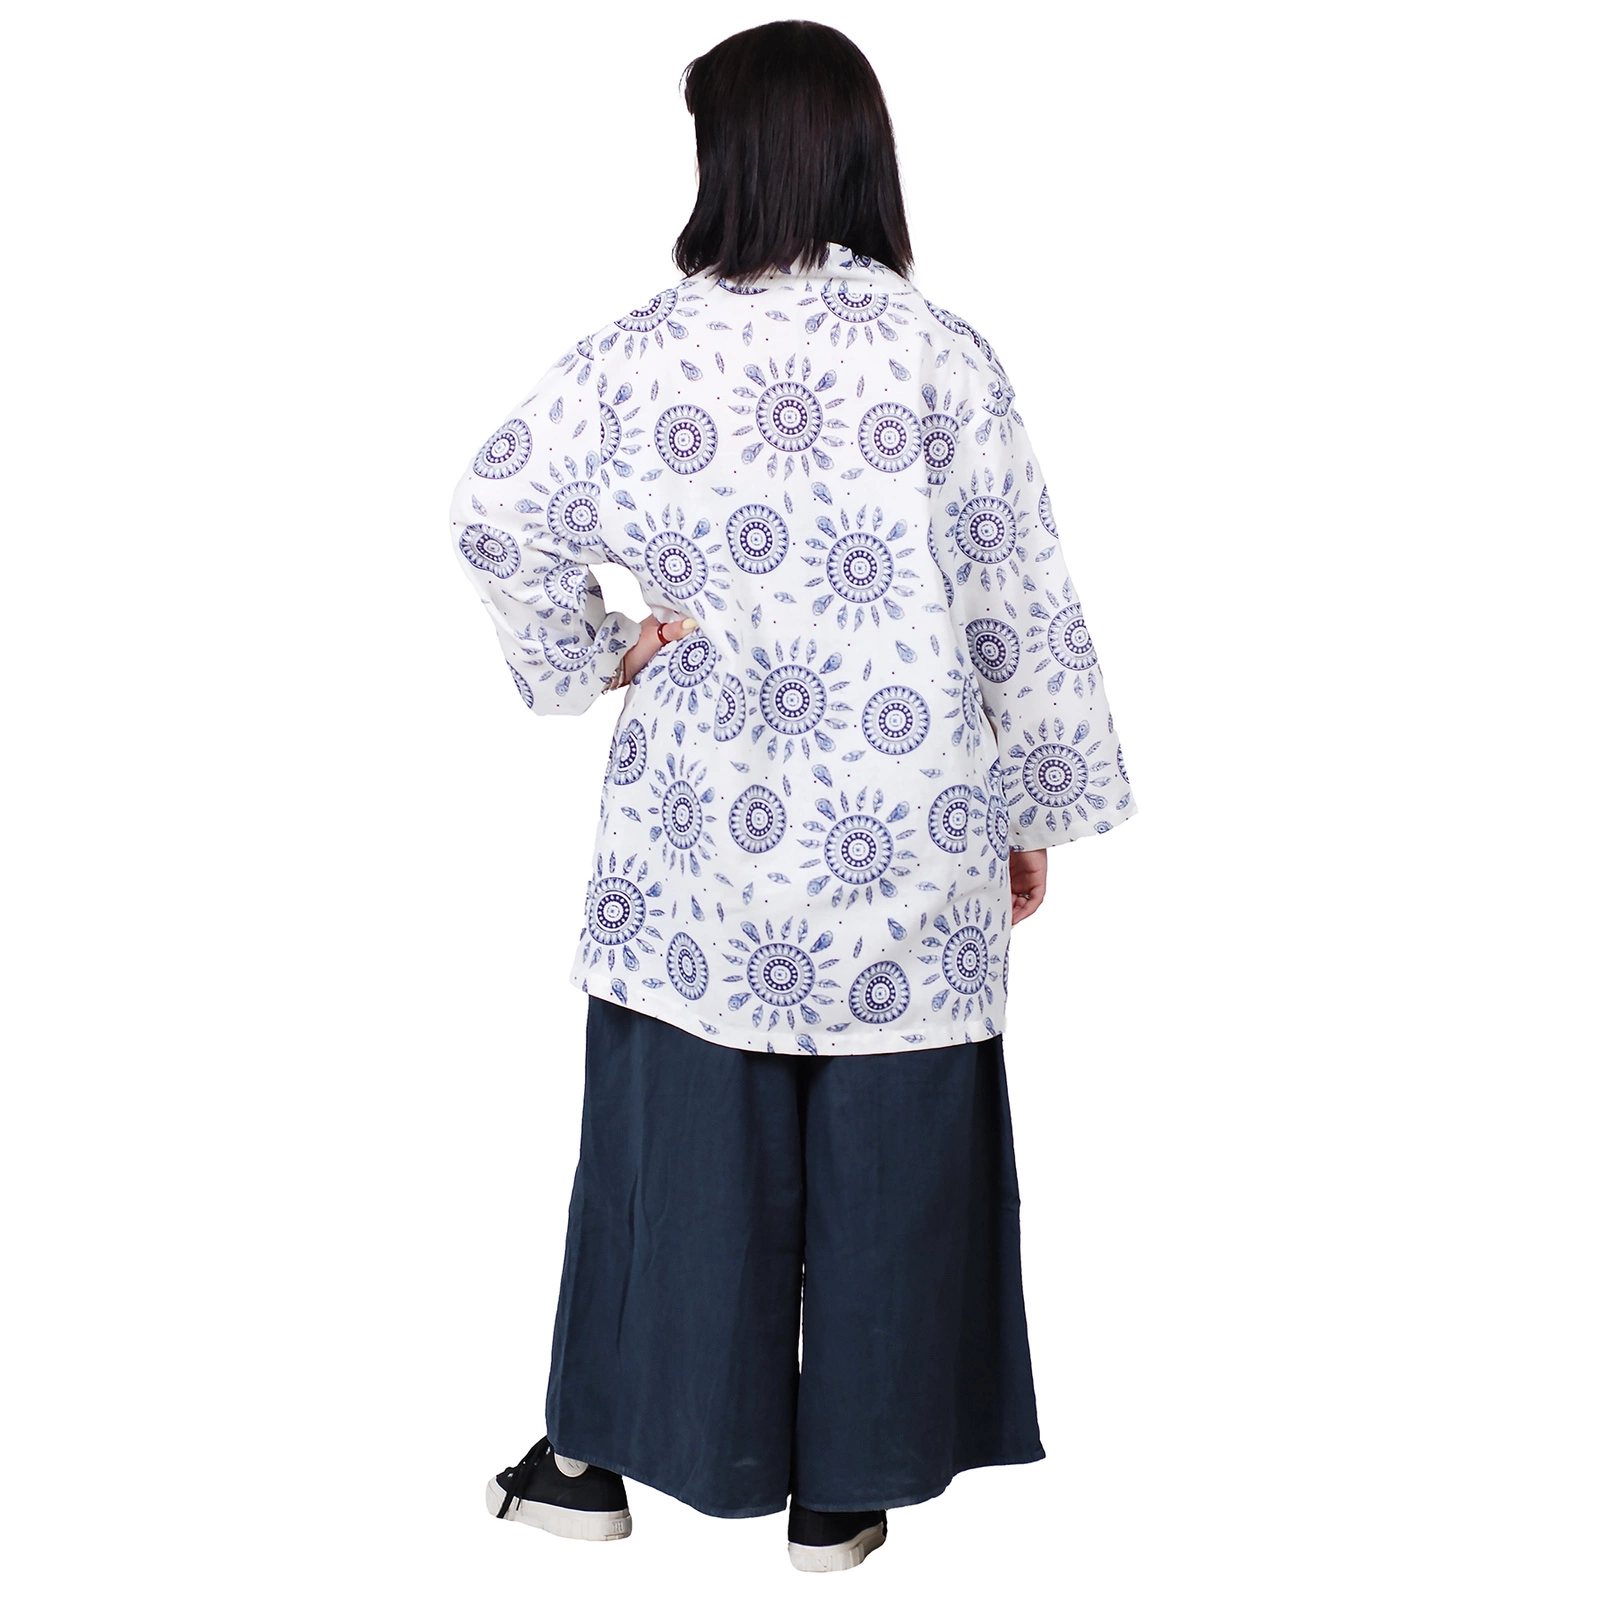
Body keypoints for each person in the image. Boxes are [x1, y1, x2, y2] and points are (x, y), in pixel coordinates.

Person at [450, 19, 1137, 1573]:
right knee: (899, 1146)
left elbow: (492, 509)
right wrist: (1032, 808)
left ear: (729, 160)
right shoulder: (942, 353)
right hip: (913, 825)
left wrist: (603, 653)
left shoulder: (639, 354)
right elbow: (1014, 594)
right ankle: (848, 1490)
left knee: (677, 1149)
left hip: (705, 846)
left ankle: (595, 1461)